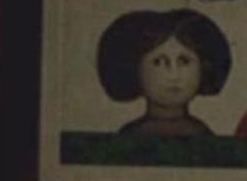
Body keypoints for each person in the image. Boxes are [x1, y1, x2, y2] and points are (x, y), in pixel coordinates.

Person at [97, 8, 232, 137]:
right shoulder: (130, 136)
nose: (174, 74)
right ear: (134, 67)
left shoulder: (203, 135)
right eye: (158, 62)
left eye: (184, 61)